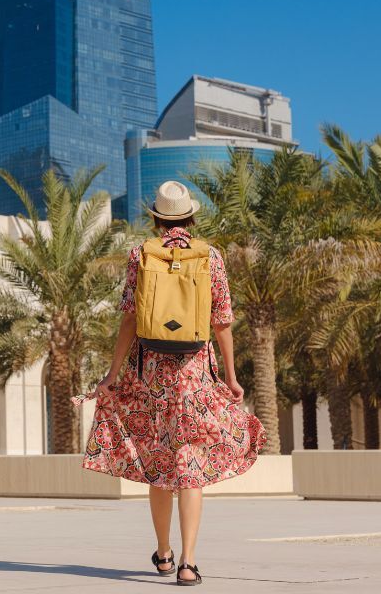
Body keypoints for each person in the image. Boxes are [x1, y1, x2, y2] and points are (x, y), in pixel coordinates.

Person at [82, 180, 265, 586]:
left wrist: (112, 375)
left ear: (156, 219)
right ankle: (188, 561)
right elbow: (222, 323)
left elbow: (129, 319)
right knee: (190, 465)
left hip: (152, 374)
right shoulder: (210, 256)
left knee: (157, 461)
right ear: (191, 217)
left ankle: (162, 552)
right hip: (195, 373)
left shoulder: (140, 255)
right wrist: (231, 379)